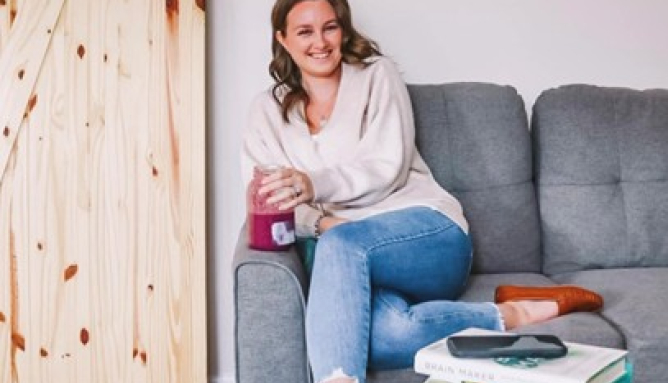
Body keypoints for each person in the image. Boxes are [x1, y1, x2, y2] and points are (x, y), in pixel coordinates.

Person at [241, 0, 604, 382]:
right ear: (282, 39)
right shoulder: (266, 112)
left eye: (329, 27)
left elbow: (387, 167)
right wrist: (320, 224)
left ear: (343, 30)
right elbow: (263, 200)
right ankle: (514, 312)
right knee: (387, 335)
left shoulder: (376, 76)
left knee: (341, 243)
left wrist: (314, 187)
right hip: (347, 257)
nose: (320, 41)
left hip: (426, 233)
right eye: (304, 31)